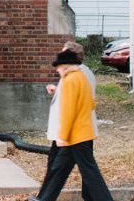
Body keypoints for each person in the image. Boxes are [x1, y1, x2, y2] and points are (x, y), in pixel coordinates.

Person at [31, 49, 113, 201]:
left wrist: (62, 135)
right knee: (62, 169)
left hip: (74, 136)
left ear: (65, 66)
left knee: (87, 173)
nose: (57, 70)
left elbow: (68, 112)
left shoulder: (69, 80)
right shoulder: (82, 77)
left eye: (59, 67)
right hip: (83, 133)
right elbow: (91, 103)